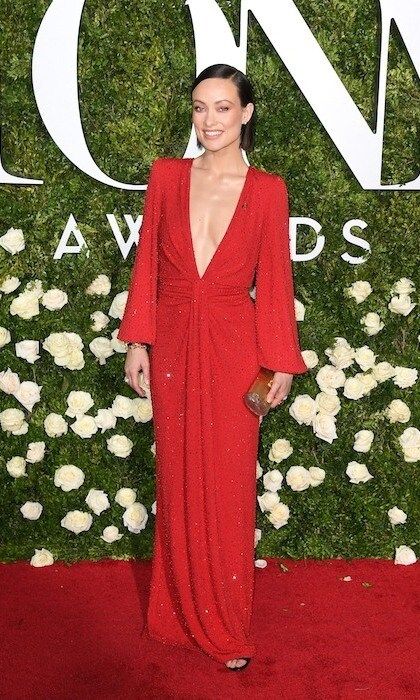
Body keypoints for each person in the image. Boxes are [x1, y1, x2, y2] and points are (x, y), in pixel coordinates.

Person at [117, 63, 308, 670]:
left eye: (223, 108)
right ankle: (174, 614)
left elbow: (275, 282)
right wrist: (137, 341)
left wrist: (280, 362)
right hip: (172, 342)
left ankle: (226, 627)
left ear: (246, 114)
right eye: (200, 108)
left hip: (234, 347)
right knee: (175, 477)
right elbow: (148, 263)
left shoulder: (268, 191)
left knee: (227, 487)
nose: (209, 121)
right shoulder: (167, 178)